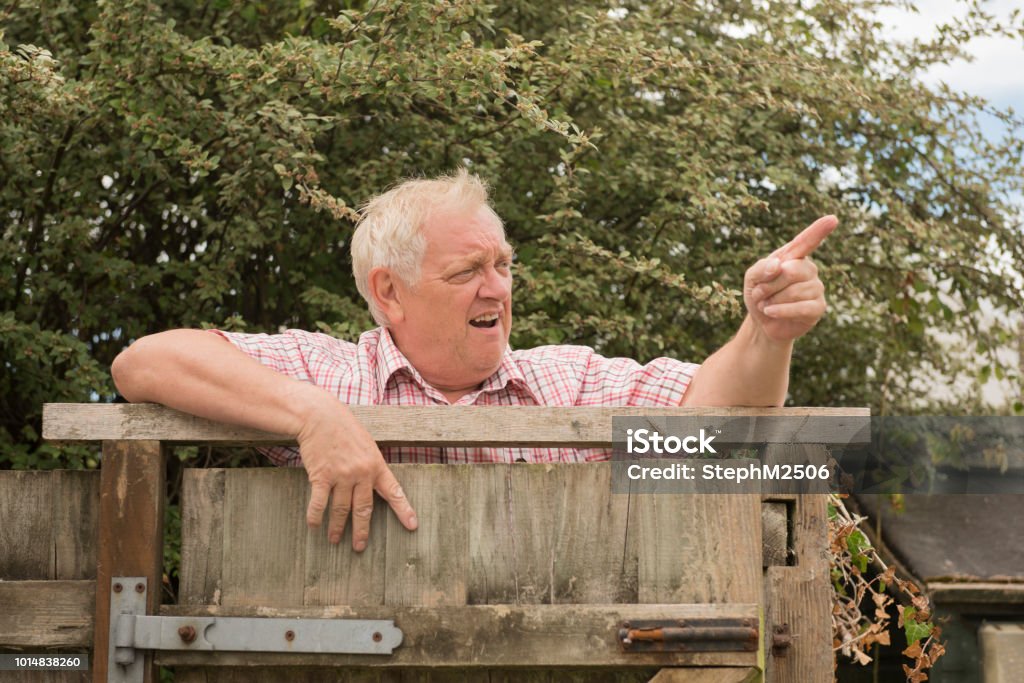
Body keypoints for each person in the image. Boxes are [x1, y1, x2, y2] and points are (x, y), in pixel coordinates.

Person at [112, 169, 834, 551]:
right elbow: (144, 363)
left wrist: (764, 332)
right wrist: (313, 416)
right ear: (388, 293)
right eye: (467, 272)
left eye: (503, 265)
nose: (497, 288)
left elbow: (716, 415)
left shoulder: (570, 378)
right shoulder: (336, 373)